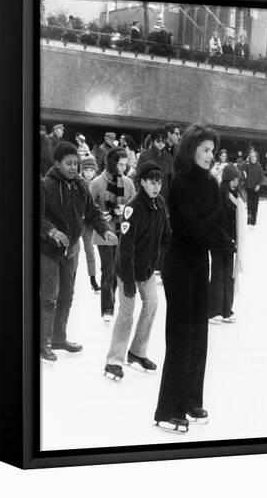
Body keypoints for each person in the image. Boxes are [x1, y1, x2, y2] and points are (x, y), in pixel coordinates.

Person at [154, 124, 232, 434]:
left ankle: (189, 400)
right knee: (181, 337)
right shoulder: (181, 182)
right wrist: (216, 218)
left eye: (213, 151)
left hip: (201, 263)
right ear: (191, 150)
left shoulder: (212, 183)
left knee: (200, 336)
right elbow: (195, 225)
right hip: (179, 264)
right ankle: (166, 410)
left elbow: (215, 222)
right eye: (205, 150)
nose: (210, 156)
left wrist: (226, 241)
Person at [40, 142, 116, 362]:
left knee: (67, 295)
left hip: (71, 250)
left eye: (76, 163)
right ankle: (43, 341)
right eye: (69, 163)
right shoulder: (45, 185)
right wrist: (52, 231)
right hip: (48, 251)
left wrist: (105, 230)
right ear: (57, 163)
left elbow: (92, 212)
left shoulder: (82, 185)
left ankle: (58, 337)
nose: (74, 167)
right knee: (49, 298)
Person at [103, 161, 171, 381]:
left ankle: (137, 352)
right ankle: (113, 360)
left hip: (147, 269)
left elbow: (166, 234)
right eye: (152, 182)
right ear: (142, 182)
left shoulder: (160, 203)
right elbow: (126, 246)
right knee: (126, 313)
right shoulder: (133, 207)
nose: (156, 186)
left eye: (159, 182)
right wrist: (129, 280)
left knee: (152, 305)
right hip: (127, 270)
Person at [89, 147, 136, 322]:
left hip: (123, 232)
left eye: (126, 164)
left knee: (118, 271)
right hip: (104, 233)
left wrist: (124, 210)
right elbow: (87, 209)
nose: (124, 167)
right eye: (121, 164)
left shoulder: (128, 183)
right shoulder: (97, 183)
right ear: (112, 163)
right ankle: (107, 308)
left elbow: (135, 206)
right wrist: (101, 214)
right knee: (107, 270)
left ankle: (112, 300)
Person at [208, 163, 246, 324]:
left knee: (228, 276)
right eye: (233, 179)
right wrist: (226, 239)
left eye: (237, 179)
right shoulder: (219, 195)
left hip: (230, 243)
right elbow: (216, 221)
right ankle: (214, 310)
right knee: (218, 275)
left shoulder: (236, 197)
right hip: (218, 241)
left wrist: (235, 240)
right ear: (227, 179)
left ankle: (226, 309)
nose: (235, 183)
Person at [76, 156, 101, 292]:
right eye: (86, 170)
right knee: (73, 250)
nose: (89, 172)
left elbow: (98, 202)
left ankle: (93, 279)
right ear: (82, 170)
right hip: (76, 220)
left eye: (92, 170)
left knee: (89, 250)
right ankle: (71, 277)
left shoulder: (97, 183)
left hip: (89, 223)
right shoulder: (77, 182)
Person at [136, 128, 173, 203]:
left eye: (163, 141)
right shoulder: (145, 156)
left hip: (164, 195)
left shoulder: (168, 157)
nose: (161, 144)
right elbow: (138, 177)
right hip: (147, 194)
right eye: (158, 141)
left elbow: (171, 178)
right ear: (153, 141)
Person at [244, 151, 264, 226]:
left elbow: (262, 178)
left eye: (254, 156)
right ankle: (249, 220)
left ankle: (254, 221)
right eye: (251, 156)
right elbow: (242, 169)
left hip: (256, 189)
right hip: (249, 188)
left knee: (255, 205)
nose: (253, 158)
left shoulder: (259, 166)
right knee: (249, 204)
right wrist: (246, 160)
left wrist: (259, 185)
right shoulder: (247, 166)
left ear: (257, 158)